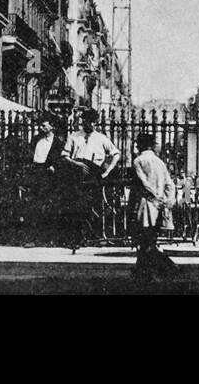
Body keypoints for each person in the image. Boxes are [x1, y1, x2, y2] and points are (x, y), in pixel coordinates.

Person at [129, 132, 177, 280]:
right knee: (149, 239)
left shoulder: (138, 161)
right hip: (159, 206)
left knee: (144, 240)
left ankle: (168, 267)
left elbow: (144, 183)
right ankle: (142, 271)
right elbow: (170, 185)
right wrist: (167, 202)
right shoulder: (159, 162)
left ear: (141, 145)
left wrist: (154, 196)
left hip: (145, 205)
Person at [63, 109, 121, 179]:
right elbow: (65, 156)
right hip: (76, 174)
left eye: (94, 122)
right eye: (90, 121)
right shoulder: (74, 137)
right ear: (84, 121)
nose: (92, 124)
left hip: (95, 174)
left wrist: (106, 172)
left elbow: (116, 154)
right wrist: (77, 164)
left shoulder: (101, 138)